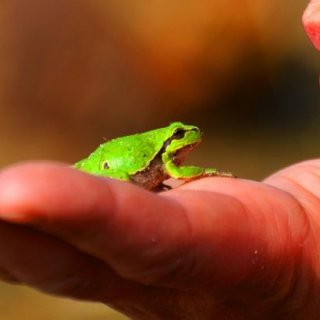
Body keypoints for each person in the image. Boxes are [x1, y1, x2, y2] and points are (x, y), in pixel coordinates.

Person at [0, 4, 320, 319]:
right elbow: (176, 171)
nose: (310, 14)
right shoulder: (168, 158)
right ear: (170, 140)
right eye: (180, 134)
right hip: (118, 172)